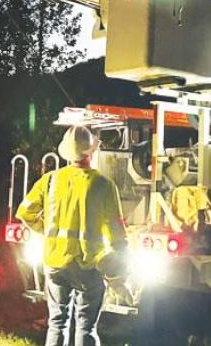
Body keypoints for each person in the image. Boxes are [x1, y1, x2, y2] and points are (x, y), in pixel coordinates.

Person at [16, 126, 128, 346]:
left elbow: (24, 212)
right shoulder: (104, 185)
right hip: (88, 265)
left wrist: (46, 230)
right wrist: (119, 275)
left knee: (57, 322)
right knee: (86, 327)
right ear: (91, 152)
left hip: (55, 263)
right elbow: (117, 234)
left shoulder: (51, 180)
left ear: (66, 153)